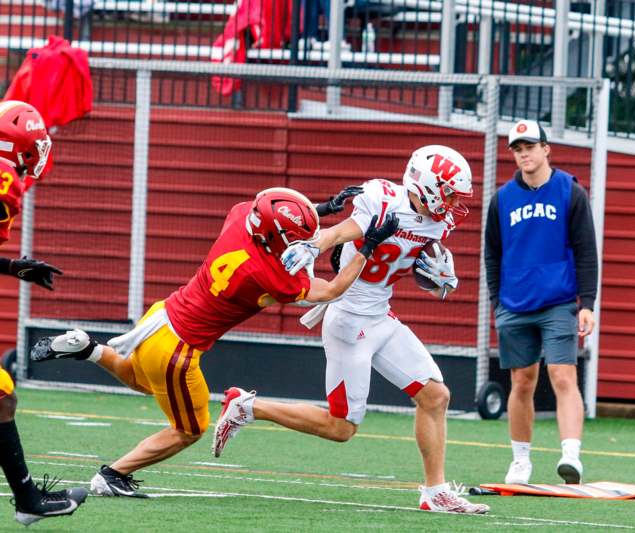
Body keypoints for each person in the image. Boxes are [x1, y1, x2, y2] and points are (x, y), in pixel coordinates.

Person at [30, 185, 398, 498]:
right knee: (190, 428)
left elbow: (276, 225)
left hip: (160, 316)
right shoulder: (269, 275)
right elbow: (332, 289)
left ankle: (87, 348)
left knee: (144, 382)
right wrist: (368, 247)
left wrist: (322, 210)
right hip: (178, 348)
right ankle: (112, 476)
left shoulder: (241, 217)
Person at [212, 145, 490, 514]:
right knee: (341, 427)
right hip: (348, 319)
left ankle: (434, 491)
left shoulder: (438, 221)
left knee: (435, 396)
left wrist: (438, 274)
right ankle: (247, 407)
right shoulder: (383, 200)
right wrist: (311, 247)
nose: (454, 202)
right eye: (450, 192)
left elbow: (418, 267)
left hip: (380, 316)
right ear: (427, 185)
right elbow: (341, 232)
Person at [485, 120, 598, 485]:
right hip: (514, 305)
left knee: (563, 375)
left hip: (558, 302)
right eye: (517, 149)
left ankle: (571, 457)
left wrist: (588, 303)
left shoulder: (570, 191)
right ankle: (521, 461)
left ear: (546, 149)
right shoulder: (502, 199)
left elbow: (586, 251)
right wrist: (496, 302)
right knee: (522, 382)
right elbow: (493, 254)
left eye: (530, 147)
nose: (524, 154)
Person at [0, 100, 88, 525]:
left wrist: (12, 266)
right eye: (32, 146)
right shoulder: (4, 183)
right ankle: (28, 500)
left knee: (2, 396)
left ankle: (28, 499)